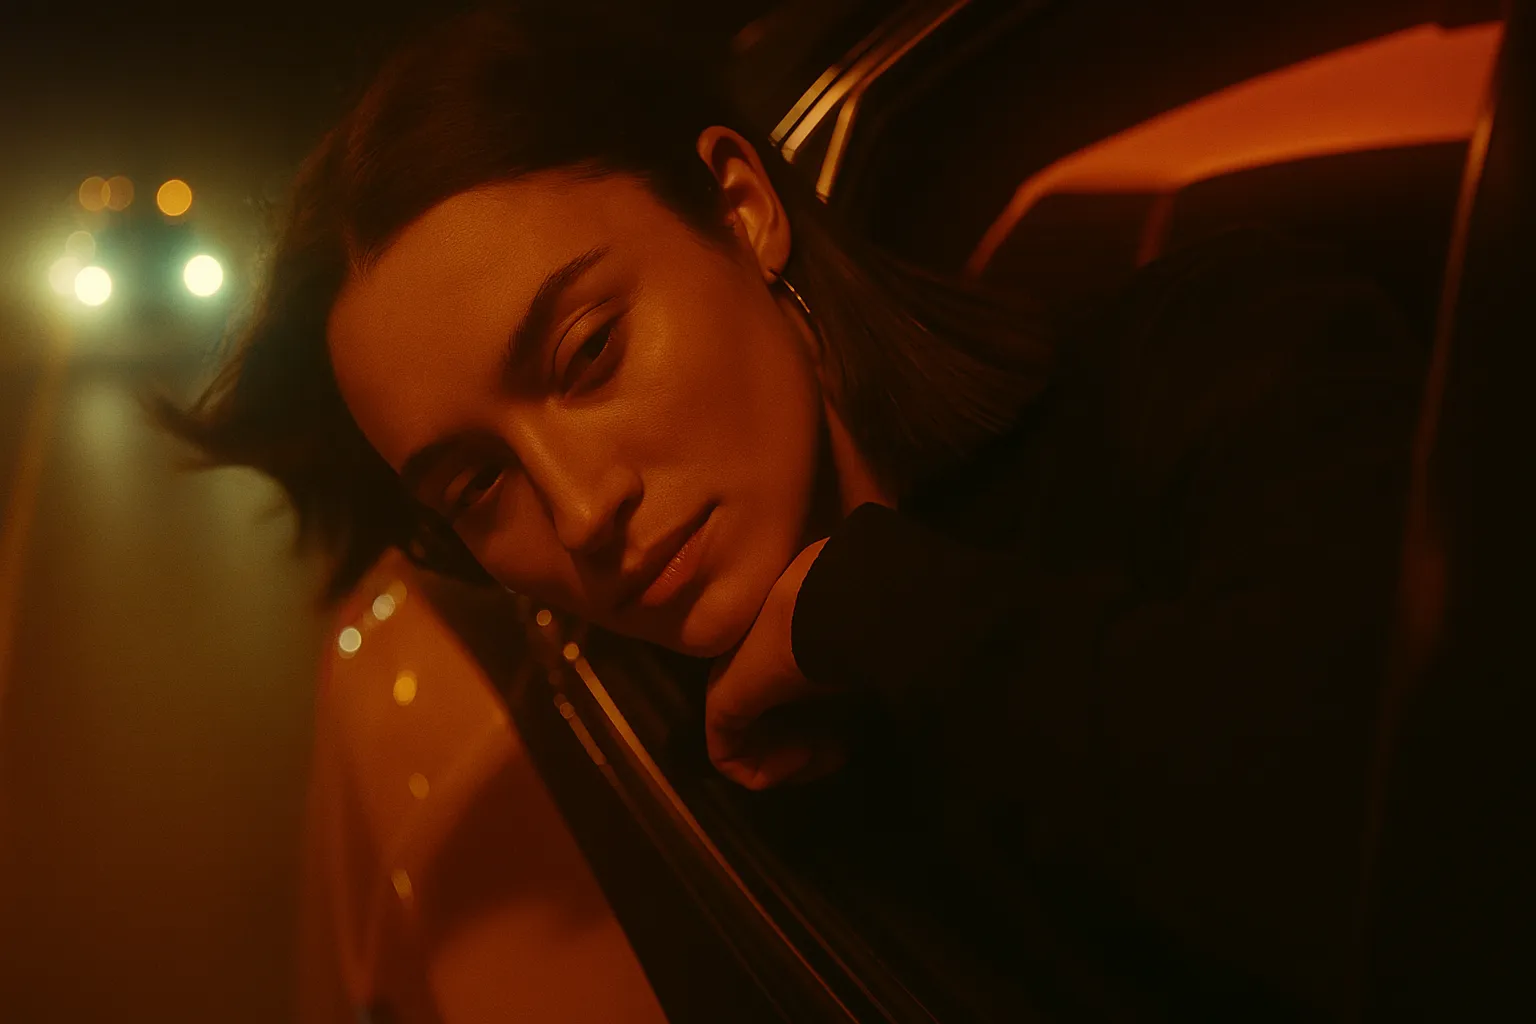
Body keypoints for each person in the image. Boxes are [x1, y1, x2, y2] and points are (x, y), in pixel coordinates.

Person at [159, 3, 1427, 1018]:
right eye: (478, 486)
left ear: (743, 206)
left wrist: (864, 603)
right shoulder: (693, 739)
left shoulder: (1221, 355)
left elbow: (1404, 853)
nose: (583, 509)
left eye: (590, 352)